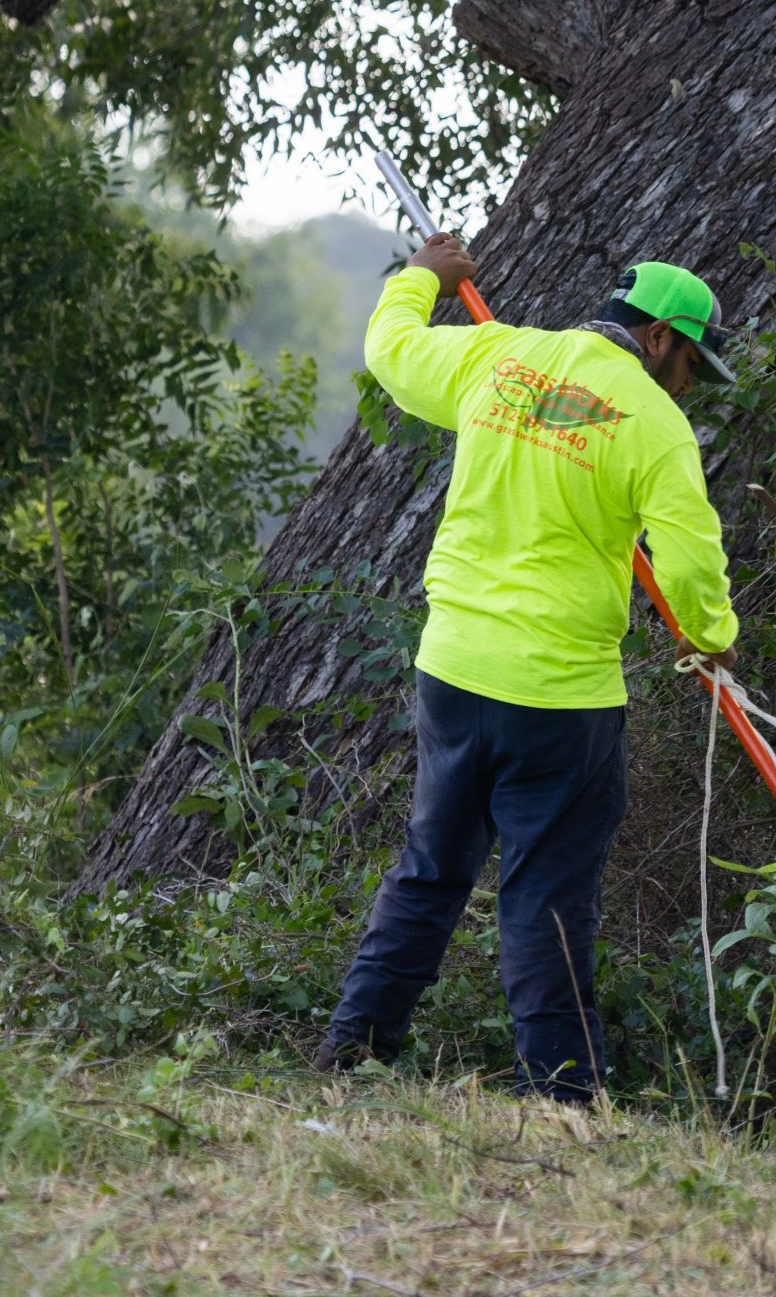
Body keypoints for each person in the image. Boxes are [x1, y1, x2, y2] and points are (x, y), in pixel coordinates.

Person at [315, 236, 739, 1097]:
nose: (691, 383)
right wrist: (710, 634)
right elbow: (691, 562)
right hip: (560, 700)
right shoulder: (655, 424)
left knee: (431, 869)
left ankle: (351, 1056)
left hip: (454, 671)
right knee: (546, 896)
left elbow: (389, 353)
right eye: (692, 360)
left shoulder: (500, 355)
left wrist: (422, 279)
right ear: (659, 337)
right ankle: (562, 1092)